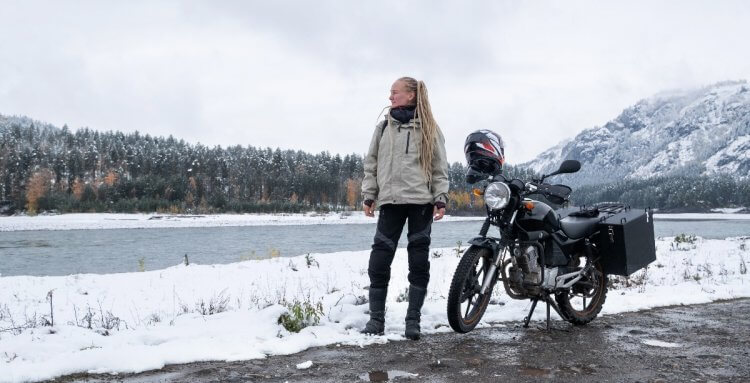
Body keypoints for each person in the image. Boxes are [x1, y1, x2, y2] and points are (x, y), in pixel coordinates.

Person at [360, 77, 449, 340]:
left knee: (418, 262)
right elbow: (371, 163)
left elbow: (439, 167)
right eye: (390, 93)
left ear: (411, 95)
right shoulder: (383, 127)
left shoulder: (430, 128)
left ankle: (413, 321)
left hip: (421, 203)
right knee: (379, 261)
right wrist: (369, 194)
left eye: (394, 93)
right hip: (390, 201)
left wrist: (440, 198)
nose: (390, 97)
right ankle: (376, 320)